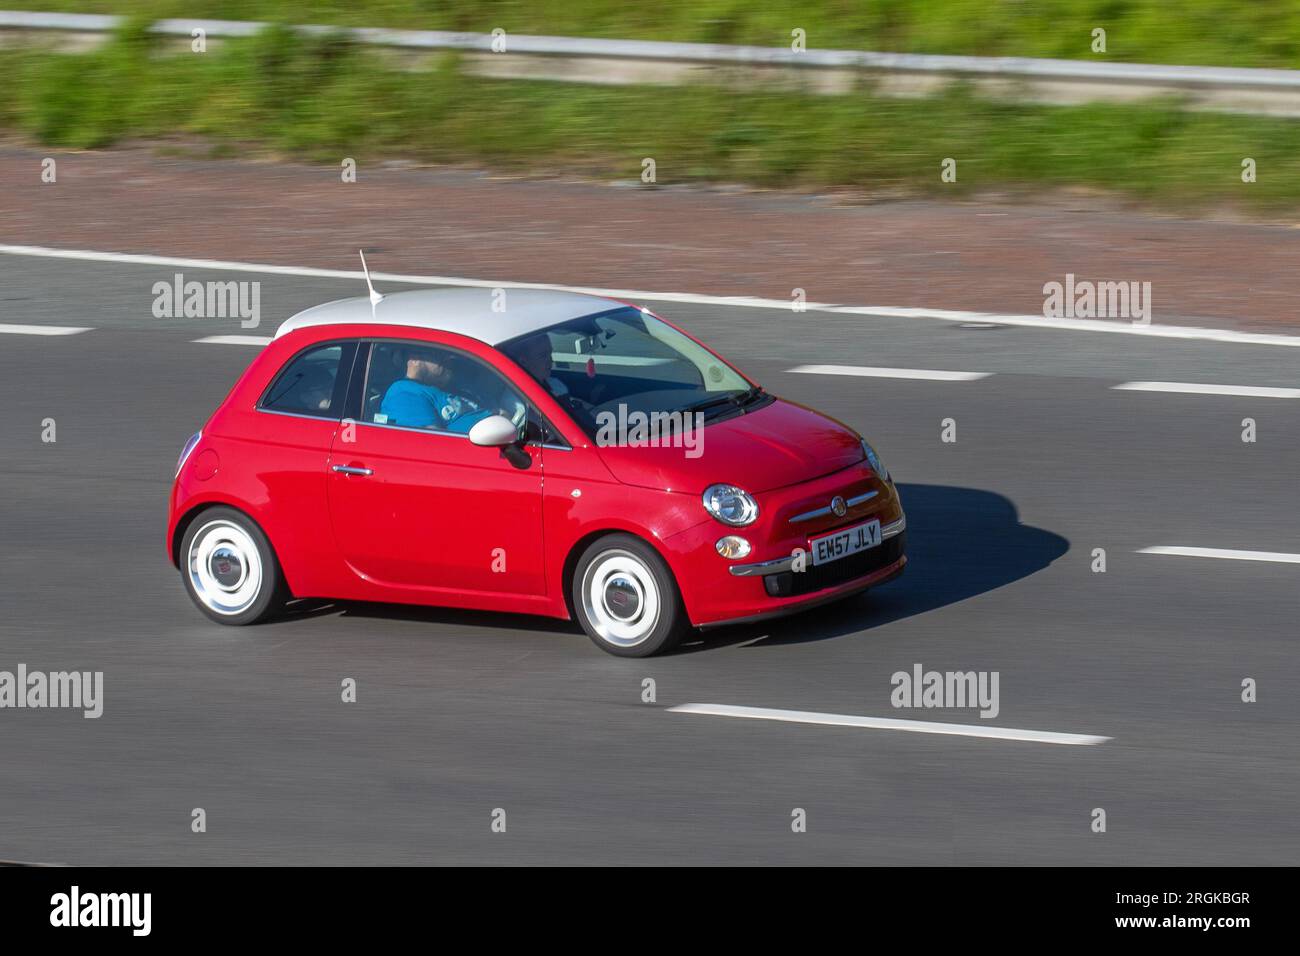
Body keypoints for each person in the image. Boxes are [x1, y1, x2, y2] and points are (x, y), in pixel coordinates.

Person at [380, 346, 493, 433]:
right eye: (438, 353)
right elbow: (432, 443)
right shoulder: (404, 394)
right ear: (414, 359)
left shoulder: (448, 388)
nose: (447, 359)